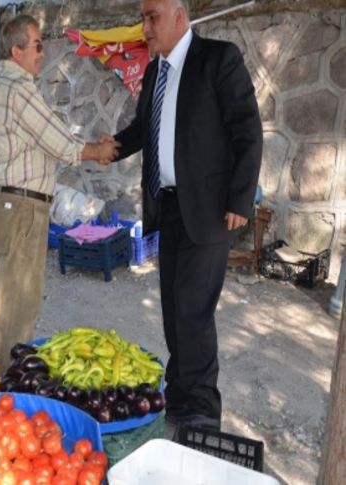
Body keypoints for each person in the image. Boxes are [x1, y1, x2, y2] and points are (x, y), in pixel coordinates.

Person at [107, 0, 262, 429]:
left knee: (194, 312)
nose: (145, 27)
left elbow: (247, 129)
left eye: (152, 17)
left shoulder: (218, 58)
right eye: (143, 17)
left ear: (179, 16)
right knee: (174, 310)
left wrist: (240, 199)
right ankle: (178, 398)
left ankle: (201, 412)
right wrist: (110, 148)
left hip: (210, 210)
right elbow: (143, 129)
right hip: (168, 206)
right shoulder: (156, 71)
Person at [0, 14, 120, 373]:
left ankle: (3, 381)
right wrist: (96, 151)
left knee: (6, 302)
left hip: (3, 203)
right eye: (37, 45)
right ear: (17, 50)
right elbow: (59, 141)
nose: (43, 52)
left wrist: (88, 147)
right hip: (22, 207)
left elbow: (45, 137)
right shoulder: (17, 87)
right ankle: (8, 391)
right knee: (17, 308)